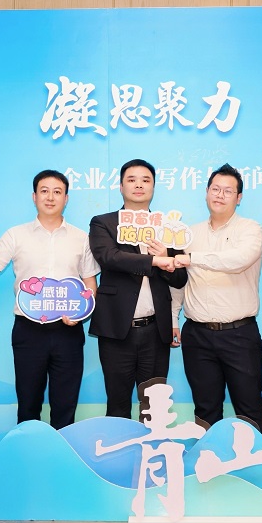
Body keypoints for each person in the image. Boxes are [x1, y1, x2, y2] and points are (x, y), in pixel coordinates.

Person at [0, 169, 99, 429]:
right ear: (34, 197)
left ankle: (61, 452)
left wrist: (81, 314)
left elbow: (89, 282)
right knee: (28, 404)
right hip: (28, 330)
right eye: (44, 191)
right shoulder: (16, 235)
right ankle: (29, 451)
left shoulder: (81, 238)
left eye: (57, 192)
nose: (50, 197)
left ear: (66, 198)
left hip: (67, 330)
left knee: (65, 405)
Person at [171, 164, 262, 438]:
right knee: (205, 409)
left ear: (239, 198)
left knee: (249, 406)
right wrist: (173, 318)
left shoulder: (251, 229)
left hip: (239, 335)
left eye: (228, 191)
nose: (220, 195)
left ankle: (258, 462)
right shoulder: (189, 234)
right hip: (197, 335)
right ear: (206, 193)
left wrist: (192, 258)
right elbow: (180, 281)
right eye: (215, 189)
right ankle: (209, 462)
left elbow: (237, 260)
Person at [89, 159, 187, 420]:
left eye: (146, 180)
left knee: (154, 409)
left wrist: (166, 257)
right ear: (121, 186)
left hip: (156, 331)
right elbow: (110, 257)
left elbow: (180, 279)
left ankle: (152, 448)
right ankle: (118, 448)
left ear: (153, 186)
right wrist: (155, 260)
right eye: (131, 180)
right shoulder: (103, 223)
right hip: (117, 330)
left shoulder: (168, 227)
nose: (139, 185)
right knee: (118, 404)